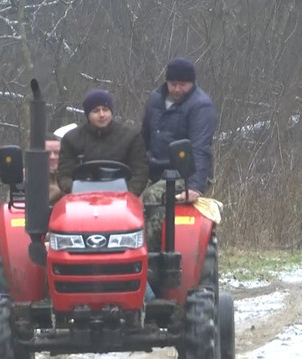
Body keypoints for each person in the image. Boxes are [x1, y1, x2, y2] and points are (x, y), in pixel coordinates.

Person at [141, 56, 218, 252]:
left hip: (184, 173)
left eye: (182, 85)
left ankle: (150, 255)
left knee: (152, 197)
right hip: (155, 168)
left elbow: (201, 148)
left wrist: (194, 186)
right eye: (173, 84)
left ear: (192, 83)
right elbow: (144, 138)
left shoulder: (201, 106)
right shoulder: (155, 100)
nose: (176, 89)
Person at [56, 89, 149, 196]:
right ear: (88, 114)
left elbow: (140, 173)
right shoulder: (71, 139)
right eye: (96, 111)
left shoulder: (131, 137)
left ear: (111, 111)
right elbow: (64, 175)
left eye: (105, 110)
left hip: (121, 198)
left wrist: (127, 194)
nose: (102, 115)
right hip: (82, 198)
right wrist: (77, 190)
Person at [46, 137, 62, 203]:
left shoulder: (73, 177)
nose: (52, 157)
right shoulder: (25, 177)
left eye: (57, 153)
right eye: (47, 153)